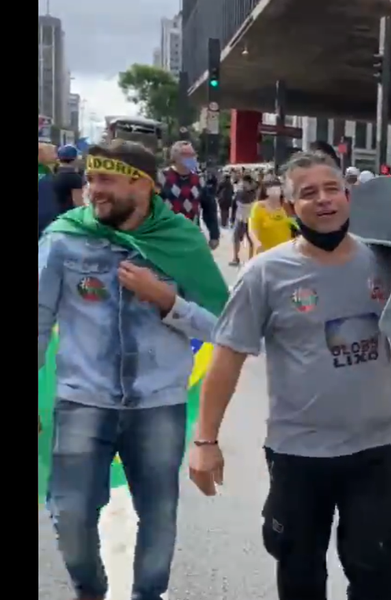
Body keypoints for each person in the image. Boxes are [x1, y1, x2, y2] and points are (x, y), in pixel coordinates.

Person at [189, 151, 391, 600]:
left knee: (376, 572)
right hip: (298, 454)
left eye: (332, 189)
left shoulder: (384, 262)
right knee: (300, 575)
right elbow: (227, 358)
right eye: (308, 193)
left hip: (373, 451)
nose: (324, 200)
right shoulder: (264, 274)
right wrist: (205, 441)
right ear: (290, 207)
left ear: (347, 196)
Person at [38, 140, 227, 600]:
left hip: (158, 404)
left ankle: (147, 594)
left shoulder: (181, 242)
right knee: (70, 514)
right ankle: (90, 589)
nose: (93, 190)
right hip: (83, 401)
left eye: (106, 179)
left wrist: (167, 301)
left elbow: (226, 328)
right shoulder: (65, 237)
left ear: (142, 185)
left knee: (158, 514)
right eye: (91, 179)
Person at [160, 140, 220, 250]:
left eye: (193, 154)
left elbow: (209, 209)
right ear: (175, 157)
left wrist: (214, 235)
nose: (191, 158)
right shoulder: (162, 178)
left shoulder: (199, 180)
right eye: (186, 155)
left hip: (191, 234)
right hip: (166, 236)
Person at [249, 177, 297, 253]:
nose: (275, 191)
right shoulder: (258, 207)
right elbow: (252, 230)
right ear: (265, 191)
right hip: (266, 252)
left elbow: (295, 224)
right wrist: (257, 243)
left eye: (277, 188)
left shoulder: (285, 205)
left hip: (286, 251)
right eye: (271, 189)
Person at [230, 174, 258, 266]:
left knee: (251, 240)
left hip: (250, 219)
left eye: (245, 183)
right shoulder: (238, 193)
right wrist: (232, 219)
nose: (243, 184)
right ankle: (235, 258)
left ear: (250, 183)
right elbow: (234, 206)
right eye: (242, 182)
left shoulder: (255, 193)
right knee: (235, 238)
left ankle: (251, 260)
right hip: (239, 218)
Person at [52, 145, 85, 213]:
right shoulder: (74, 178)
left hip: (53, 213)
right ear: (74, 159)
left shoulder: (53, 174)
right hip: (68, 214)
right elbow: (78, 203)